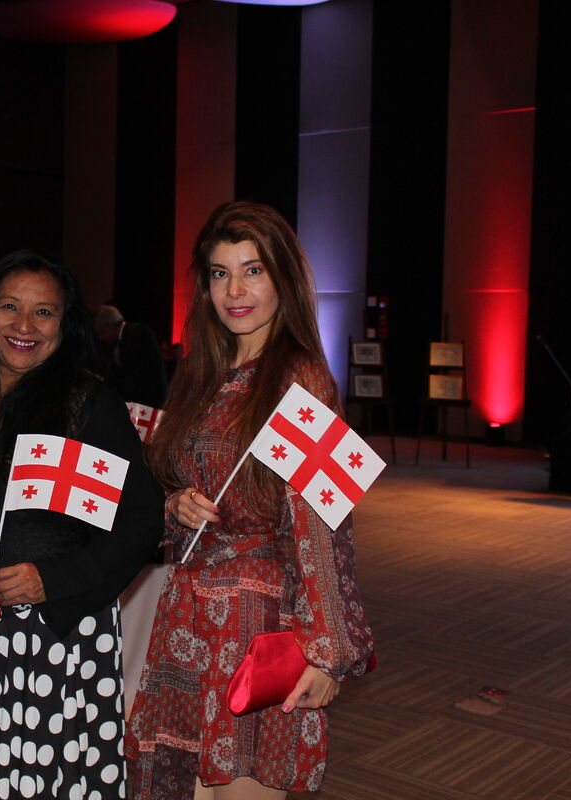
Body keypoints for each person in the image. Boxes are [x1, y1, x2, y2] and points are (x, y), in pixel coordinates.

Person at [125, 202, 375, 799]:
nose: (234, 291)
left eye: (252, 271)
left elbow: (324, 524)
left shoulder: (300, 379)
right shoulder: (202, 374)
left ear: (282, 278)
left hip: (256, 624)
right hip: (187, 618)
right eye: (220, 273)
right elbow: (175, 480)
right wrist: (176, 505)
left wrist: (326, 653)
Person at [0, 250, 164, 799]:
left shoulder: (87, 405)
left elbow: (143, 520)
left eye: (43, 312)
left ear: (64, 325)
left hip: (58, 639)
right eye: (10, 307)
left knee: (51, 783)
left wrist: (53, 579)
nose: (24, 325)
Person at [93, 303, 169, 408]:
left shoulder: (140, 333)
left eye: (102, 332)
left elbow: (154, 368)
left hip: (148, 401)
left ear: (109, 325)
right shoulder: (113, 344)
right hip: (131, 402)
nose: (102, 338)